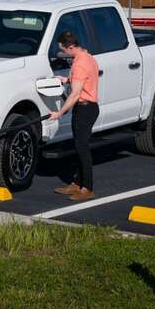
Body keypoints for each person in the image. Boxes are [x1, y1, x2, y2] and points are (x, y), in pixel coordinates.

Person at [49, 30, 100, 201]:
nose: (63, 53)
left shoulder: (79, 64)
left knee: (82, 148)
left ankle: (88, 188)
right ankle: (77, 183)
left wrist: (60, 112)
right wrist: (66, 80)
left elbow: (75, 94)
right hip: (88, 108)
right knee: (79, 146)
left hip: (85, 108)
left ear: (70, 46)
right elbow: (82, 79)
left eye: (64, 49)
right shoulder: (86, 56)